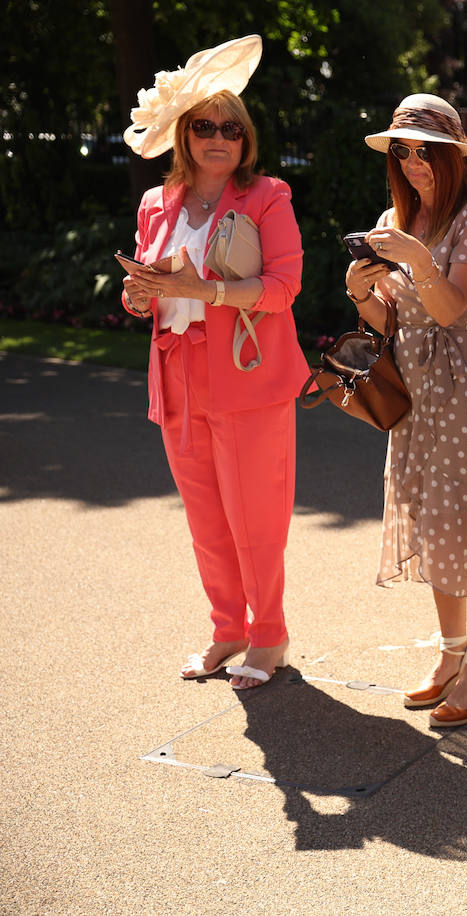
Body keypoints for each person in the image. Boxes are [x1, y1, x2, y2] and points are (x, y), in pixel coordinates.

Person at [120, 35, 307, 690]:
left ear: (245, 136)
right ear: (185, 134)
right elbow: (148, 291)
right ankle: (228, 627)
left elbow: (283, 289)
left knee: (255, 518)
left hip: (247, 377)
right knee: (205, 517)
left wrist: (205, 292)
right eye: (205, 126)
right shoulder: (156, 204)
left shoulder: (267, 197)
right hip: (176, 378)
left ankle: (269, 635)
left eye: (231, 126)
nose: (219, 137)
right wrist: (138, 292)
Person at [345, 93, 467, 727]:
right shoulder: (396, 218)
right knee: (433, 523)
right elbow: (390, 321)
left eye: (428, 151)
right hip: (414, 389)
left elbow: (455, 309)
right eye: (404, 150)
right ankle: (451, 656)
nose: (416, 162)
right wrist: (361, 293)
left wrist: (417, 259)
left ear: (452, 157)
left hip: (466, 385)